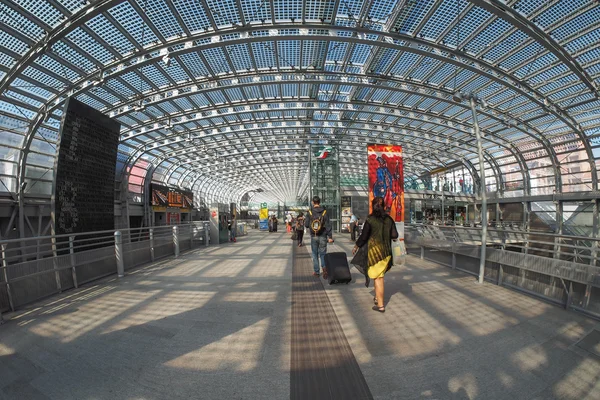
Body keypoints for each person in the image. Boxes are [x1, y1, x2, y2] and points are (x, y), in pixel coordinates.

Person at [352, 196, 398, 313]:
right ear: (383, 206)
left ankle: (381, 305)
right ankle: (377, 297)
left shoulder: (370, 220)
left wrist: (356, 245)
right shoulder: (389, 219)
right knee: (379, 275)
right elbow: (394, 235)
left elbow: (364, 236)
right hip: (386, 252)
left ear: (373, 206)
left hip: (374, 253)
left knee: (378, 278)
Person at [305, 196, 333, 277]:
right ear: (319, 202)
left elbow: (306, 225)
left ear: (313, 202)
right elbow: (328, 225)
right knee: (323, 253)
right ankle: (324, 269)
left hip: (314, 236)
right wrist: (330, 237)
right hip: (323, 235)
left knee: (314, 254)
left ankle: (317, 272)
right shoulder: (324, 212)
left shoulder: (310, 212)